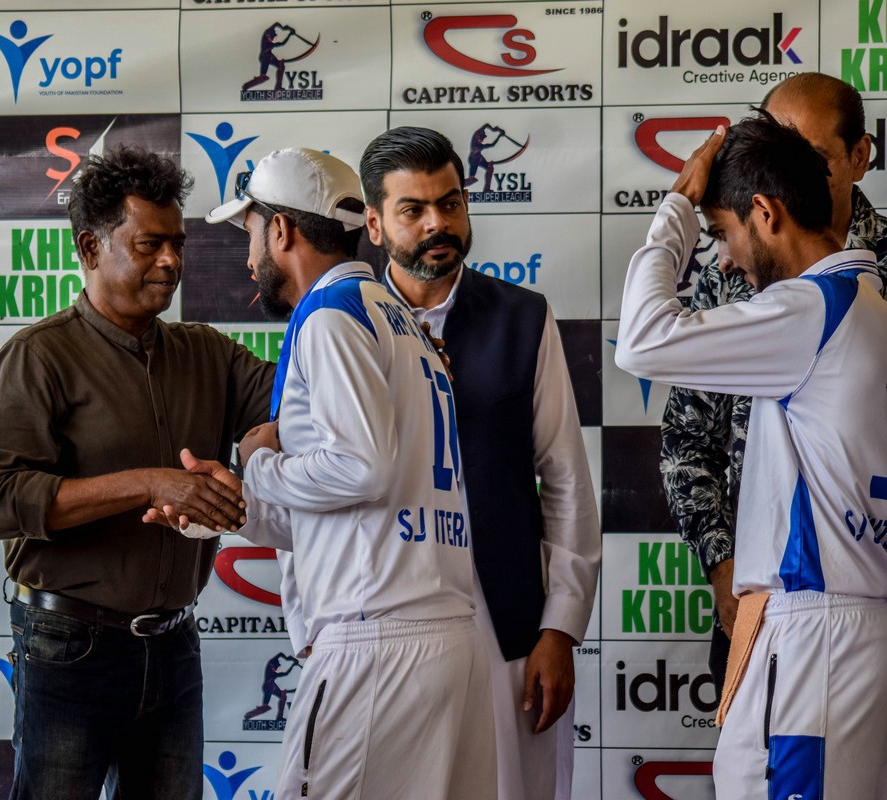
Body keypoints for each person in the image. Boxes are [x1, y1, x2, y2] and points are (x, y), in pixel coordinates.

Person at [0, 146, 274, 800]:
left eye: (177, 244)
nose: (170, 261)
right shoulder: (37, 357)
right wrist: (153, 482)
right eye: (148, 245)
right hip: (67, 648)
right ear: (90, 247)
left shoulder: (208, 352)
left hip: (174, 644)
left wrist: (396, 351)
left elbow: (304, 399)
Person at [203, 147, 496, 800]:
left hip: (375, 646)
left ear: (281, 230)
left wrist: (258, 464)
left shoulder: (331, 315)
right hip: (444, 637)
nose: (248, 256)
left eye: (250, 231)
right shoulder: (400, 319)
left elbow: (359, 471)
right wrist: (236, 505)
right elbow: (362, 501)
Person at [616, 115, 887, 799]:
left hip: (812, 636)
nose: (726, 260)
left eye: (722, 233)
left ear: (765, 213)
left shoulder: (811, 307)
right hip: (833, 625)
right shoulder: (866, 302)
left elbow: (641, 341)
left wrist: (677, 207)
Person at [359, 126, 600, 800]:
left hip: (507, 625)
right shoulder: (344, 324)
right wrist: (313, 632)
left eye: (451, 203)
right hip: (383, 624)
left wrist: (559, 629)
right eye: (413, 210)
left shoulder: (523, 317)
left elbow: (566, 480)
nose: (438, 224)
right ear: (375, 224)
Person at [660, 72, 887, 691]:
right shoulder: (731, 266)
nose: (786, 172)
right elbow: (687, 439)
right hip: (765, 594)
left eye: (809, 155)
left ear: (860, 156)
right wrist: (723, 568)